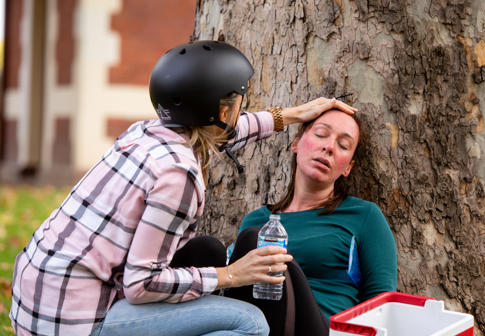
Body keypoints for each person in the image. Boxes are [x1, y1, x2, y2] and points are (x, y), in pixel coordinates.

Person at [9, 40, 357, 336]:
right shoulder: (179, 175)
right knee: (251, 323)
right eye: (236, 101)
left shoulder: (145, 132)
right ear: (219, 110)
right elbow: (141, 284)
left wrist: (291, 116)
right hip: (77, 321)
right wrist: (233, 274)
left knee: (203, 251)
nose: (240, 107)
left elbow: (223, 131)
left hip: (38, 300)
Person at [225, 110, 397, 336]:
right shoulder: (257, 220)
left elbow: (382, 304)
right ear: (296, 143)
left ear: (347, 168)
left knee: (259, 247)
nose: (329, 147)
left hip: (325, 330)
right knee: (240, 242)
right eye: (320, 134)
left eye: (343, 145)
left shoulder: (364, 216)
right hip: (255, 326)